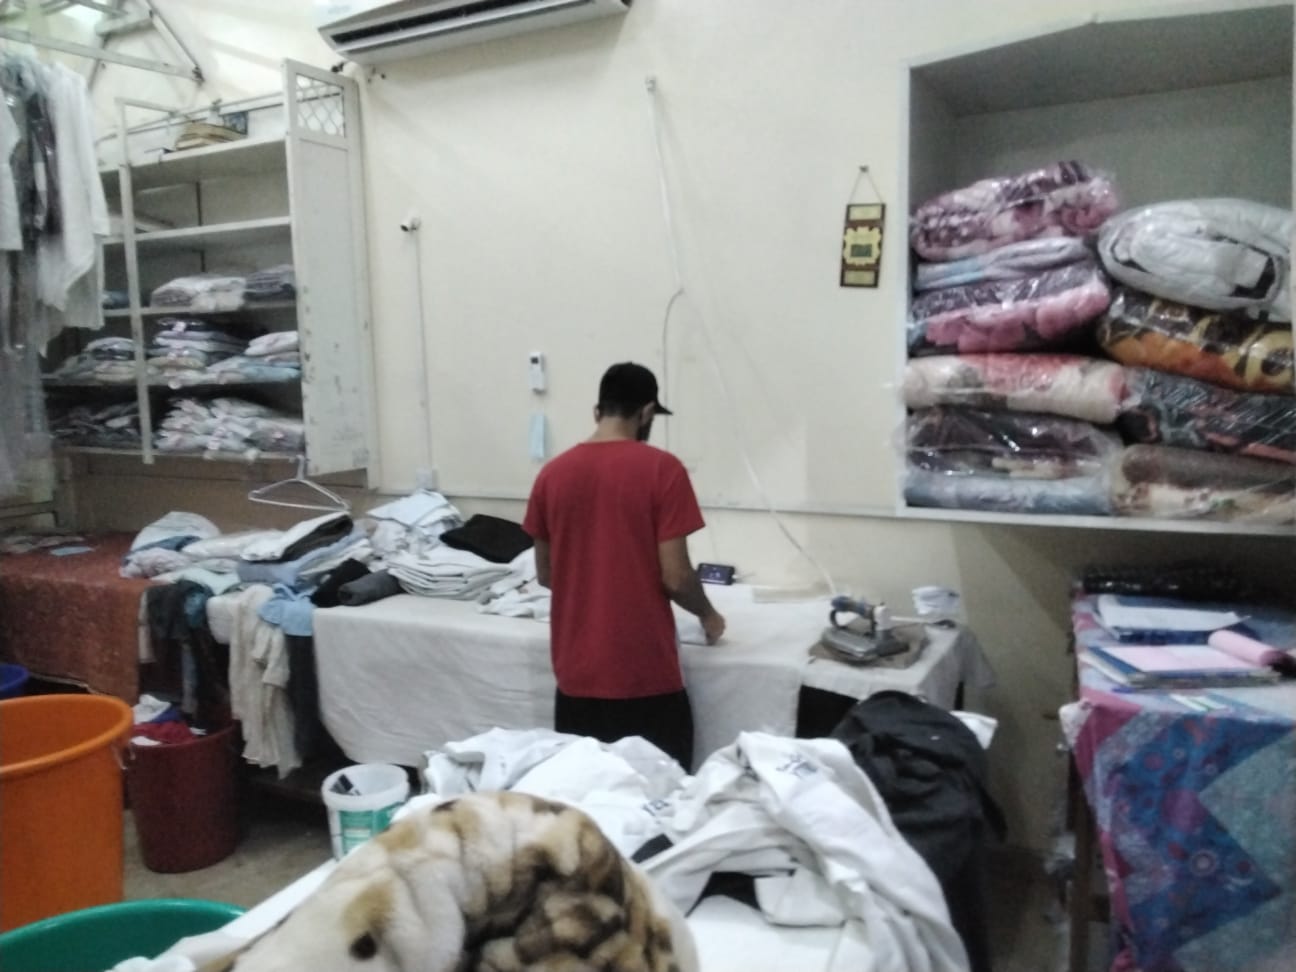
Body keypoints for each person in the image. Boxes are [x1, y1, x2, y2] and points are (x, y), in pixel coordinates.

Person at [522, 362, 725, 770]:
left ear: (597, 412)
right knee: (662, 795)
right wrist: (708, 614)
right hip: (644, 677)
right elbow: (677, 577)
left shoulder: (551, 475)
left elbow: (547, 575)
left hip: (575, 680)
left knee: (586, 796)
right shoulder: (663, 470)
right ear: (646, 412)